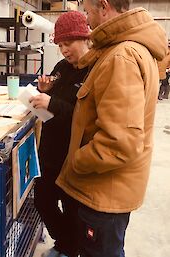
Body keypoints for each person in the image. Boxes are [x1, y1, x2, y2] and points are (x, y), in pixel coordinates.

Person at [55, 1, 168, 257]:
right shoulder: (120, 50)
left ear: (103, 6)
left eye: (87, 11)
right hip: (107, 187)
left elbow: (119, 142)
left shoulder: (121, 57)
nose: (86, 19)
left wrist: (77, 160)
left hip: (104, 192)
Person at [30, 11, 89, 257]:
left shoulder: (94, 71)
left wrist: (51, 102)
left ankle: (69, 248)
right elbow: (55, 95)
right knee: (42, 201)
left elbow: (84, 116)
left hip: (72, 153)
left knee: (72, 207)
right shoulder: (62, 67)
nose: (64, 50)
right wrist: (45, 89)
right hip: (50, 150)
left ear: (85, 38)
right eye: (61, 45)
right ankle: (66, 243)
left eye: (69, 43)